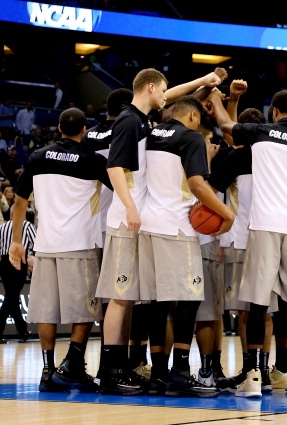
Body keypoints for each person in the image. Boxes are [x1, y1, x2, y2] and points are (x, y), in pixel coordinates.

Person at [95, 68, 223, 395]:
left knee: (144, 300)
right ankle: (111, 371)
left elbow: (173, 100)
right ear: (150, 87)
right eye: (162, 89)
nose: (166, 95)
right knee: (122, 298)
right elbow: (113, 167)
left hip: (143, 222)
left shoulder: (148, 124)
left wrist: (203, 82)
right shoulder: (129, 121)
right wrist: (131, 208)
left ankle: (135, 368)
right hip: (130, 220)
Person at [207, 89, 287, 399]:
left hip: (264, 225)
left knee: (258, 303)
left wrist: (216, 98)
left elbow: (225, 125)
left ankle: (252, 379)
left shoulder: (262, 133)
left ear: (274, 111)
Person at [8, 107, 112, 392]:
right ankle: (72, 368)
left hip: (45, 245)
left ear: (58, 127)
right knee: (85, 311)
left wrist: (17, 241)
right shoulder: (91, 159)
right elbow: (121, 189)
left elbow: (19, 202)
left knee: (47, 311)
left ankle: (47, 371)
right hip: (79, 243)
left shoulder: (37, 157)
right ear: (84, 131)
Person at [139, 95, 233, 397]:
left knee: (158, 302)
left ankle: (158, 375)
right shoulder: (191, 137)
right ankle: (180, 372)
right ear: (193, 117)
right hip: (178, 225)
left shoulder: (150, 131)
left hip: (148, 224)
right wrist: (226, 213)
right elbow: (196, 184)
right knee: (190, 298)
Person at [0, 205, 36, 343]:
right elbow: (36, 241)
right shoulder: (26, 225)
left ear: (10, 214)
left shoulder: (2, 227)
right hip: (18, 261)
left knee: (12, 297)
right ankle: (21, 331)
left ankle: (23, 331)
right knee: (11, 297)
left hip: (3, 263)